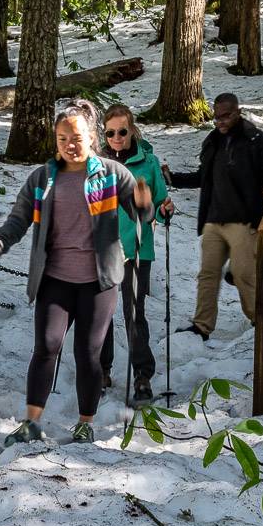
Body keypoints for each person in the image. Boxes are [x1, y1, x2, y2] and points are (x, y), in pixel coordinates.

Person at [0, 100, 153, 446]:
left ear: (91, 137)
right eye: (61, 139)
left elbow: (139, 213)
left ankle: (85, 423)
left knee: (88, 353)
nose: (69, 145)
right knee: (46, 346)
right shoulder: (43, 178)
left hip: (99, 282)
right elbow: (18, 220)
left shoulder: (112, 174)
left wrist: (145, 203)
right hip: (55, 278)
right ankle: (32, 422)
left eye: (75, 137)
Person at [162, 93, 263, 340]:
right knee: (208, 274)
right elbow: (202, 176)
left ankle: (260, 319)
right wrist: (172, 178)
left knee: (243, 273)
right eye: (216, 117)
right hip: (214, 220)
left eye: (226, 116)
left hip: (244, 220)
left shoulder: (255, 139)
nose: (221, 121)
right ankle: (202, 326)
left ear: (238, 111)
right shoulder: (212, 141)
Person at [98, 104, 173, 405]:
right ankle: (101, 370)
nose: (117, 137)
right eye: (110, 132)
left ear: (131, 130)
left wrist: (165, 210)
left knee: (133, 313)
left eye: (122, 131)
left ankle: (142, 376)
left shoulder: (149, 163)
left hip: (138, 249)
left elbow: (160, 206)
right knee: (100, 314)